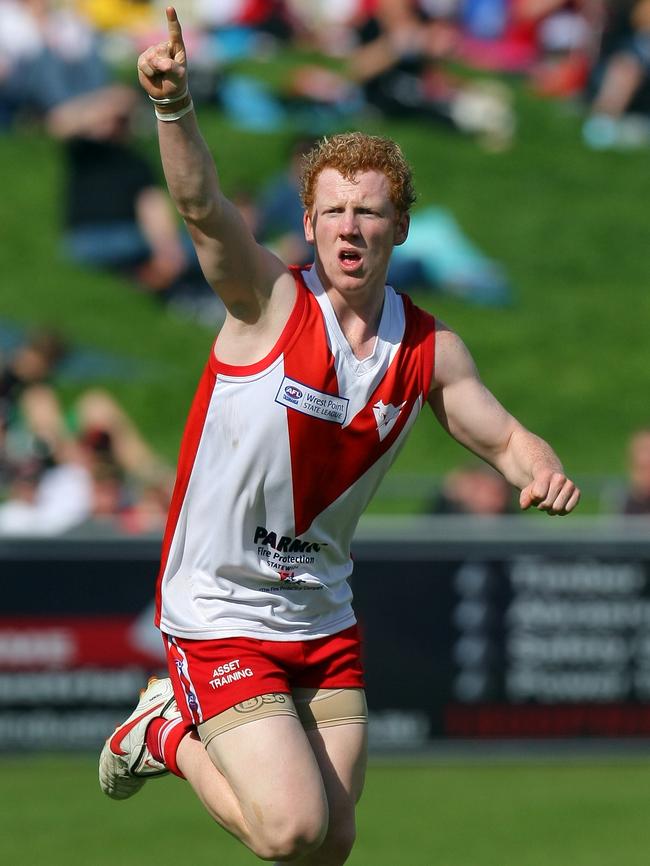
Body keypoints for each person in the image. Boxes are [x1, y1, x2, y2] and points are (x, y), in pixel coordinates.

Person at [99, 7, 580, 864]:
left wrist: (540, 468)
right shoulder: (270, 304)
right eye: (334, 211)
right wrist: (173, 107)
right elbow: (204, 209)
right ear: (309, 223)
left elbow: (506, 440)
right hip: (221, 607)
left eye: (370, 212)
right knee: (291, 829)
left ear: (400, 225)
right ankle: (161, 731)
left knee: (333, 845)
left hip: (320, 612)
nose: (351, 227)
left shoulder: (429, 348)